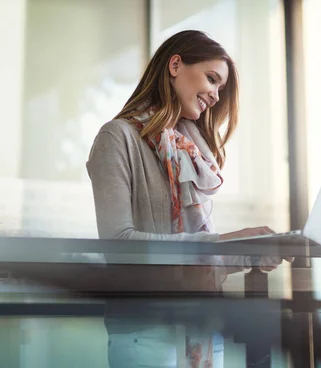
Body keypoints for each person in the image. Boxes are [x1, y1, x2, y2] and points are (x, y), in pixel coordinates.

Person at [87, 30, 290, 368]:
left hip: (203, 328)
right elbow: (118, 244)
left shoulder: (191, 153)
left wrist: (248, 251)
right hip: (147, 333)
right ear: (176, 64)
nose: (214, 95)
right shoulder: (116, 137)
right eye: (212, 79)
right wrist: (222, 244)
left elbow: (199, 264)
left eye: (220, 89)